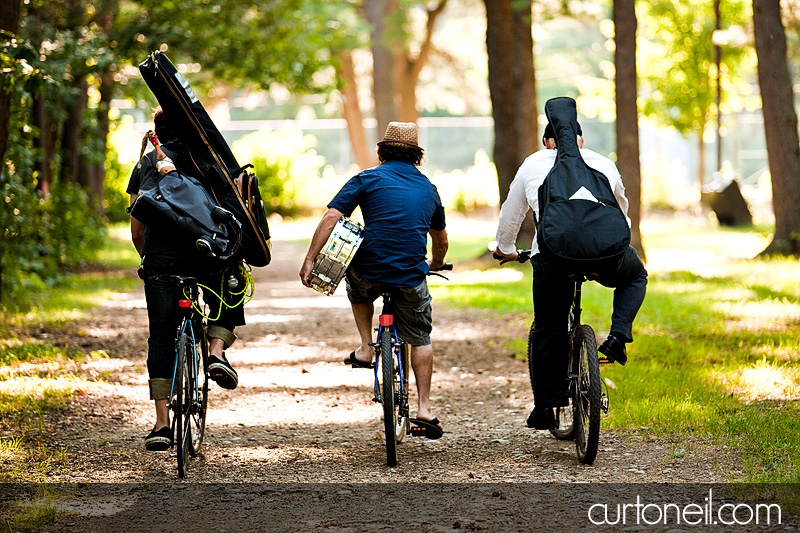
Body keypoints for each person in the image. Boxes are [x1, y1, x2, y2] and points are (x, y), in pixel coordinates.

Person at [493, 112, 648, 430]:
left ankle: (546, 407)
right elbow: (621, 209)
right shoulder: (602, 162)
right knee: (635, 276)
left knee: (548, 326)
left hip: (554, 260)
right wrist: (618, 241)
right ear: (580, 140)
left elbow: (511, 215)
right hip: (606, 256)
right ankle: (618, 336)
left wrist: (505, 248)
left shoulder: (534, 163)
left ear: (547, 142)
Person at [299, 121, 449, 439]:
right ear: (417, 156)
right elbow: (441, 240)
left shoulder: (366, 178)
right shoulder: (428, 188)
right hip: (410, 275)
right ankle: (423, 409)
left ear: (382, 152)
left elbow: (331, 217)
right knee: (420, 339)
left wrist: (311, 257)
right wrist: (435, 263)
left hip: (368, 269)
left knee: (357, 286)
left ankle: (366, 347)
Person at [128, 106, 245, 451]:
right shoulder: (210, 158)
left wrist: (146, 256)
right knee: (233, 280)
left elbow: (137, 223)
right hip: (206, 254)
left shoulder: (148, 162)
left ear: (157, 133)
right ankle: (216, 351)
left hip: (162, 259)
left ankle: (162, 423)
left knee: (161, 335)